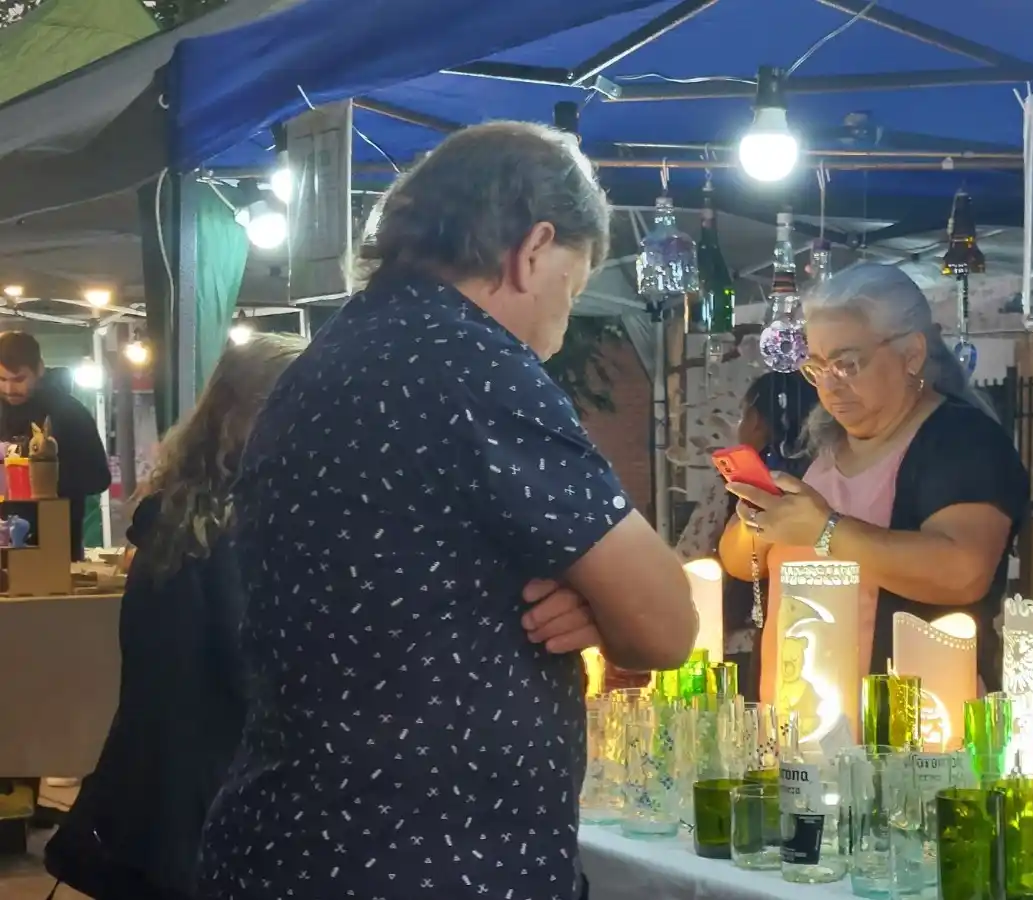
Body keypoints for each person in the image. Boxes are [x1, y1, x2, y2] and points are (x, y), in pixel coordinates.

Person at [199, 122, 697, 900]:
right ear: (532, 251)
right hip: (425, 857)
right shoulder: (471, 363)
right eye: (572, 286)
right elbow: (668, 625)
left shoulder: (337, 352)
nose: (563, 321)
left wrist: (593, 605)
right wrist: (612, 606)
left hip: (298, 840)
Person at [43, 333, 308, 900]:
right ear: (254, 413)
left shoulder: (184, 512)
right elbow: (252, 670)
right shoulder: (231, 525)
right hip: (208, 796)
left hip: (164, 786)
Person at [725, 263, 1029, 690]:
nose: (829, 386)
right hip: (796, 715)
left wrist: (824, 531)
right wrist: (760, 518)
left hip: (913, 726)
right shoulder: (813, 443)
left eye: (847, 364)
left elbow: (963, 572)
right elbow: (738, 561)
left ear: (912, 355)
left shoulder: (962, 442)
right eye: (816, 368)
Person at [718, 372, 817, 702]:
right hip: (785, 630)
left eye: (743, 414)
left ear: (757, 421)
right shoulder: (815, 471)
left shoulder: (751, 484)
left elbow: (705, 552)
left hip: (753, 631)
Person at [0, 330, 111, 559]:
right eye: (2, 380)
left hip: (58, 546)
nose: (10, 389)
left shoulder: (69, 413)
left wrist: (47, 476)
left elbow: (99, 478)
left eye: (19, 379)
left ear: (39, 369)